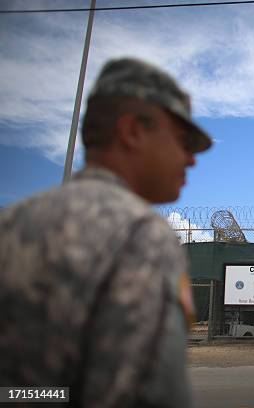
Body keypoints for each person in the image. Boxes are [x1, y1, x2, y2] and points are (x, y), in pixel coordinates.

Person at [0, 58, 212, 407]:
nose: (191, 159)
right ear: (131, 131)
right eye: (183, 140)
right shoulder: (139, 235)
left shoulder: (12, 223)